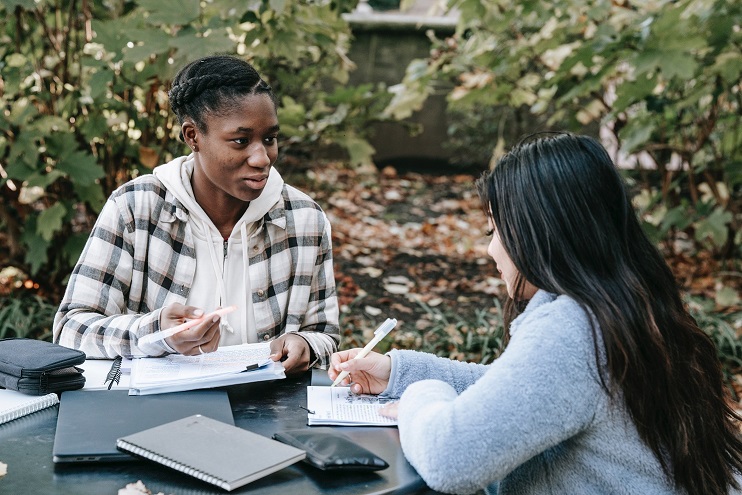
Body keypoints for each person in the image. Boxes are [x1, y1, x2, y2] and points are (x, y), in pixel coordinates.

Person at [329, 133, 742, 495]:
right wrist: (398, 373)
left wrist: (417, 400)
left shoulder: (574, 329)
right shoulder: (625, 305)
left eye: (494, 231)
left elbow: (450, 460)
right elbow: (523, 391)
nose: (491, 250)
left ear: (538, 228)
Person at [54, 55, 339, 374]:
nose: (262, 158)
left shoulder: (304, 220)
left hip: (265, 410)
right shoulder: (136, 207)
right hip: (157, 411)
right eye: (241, 141)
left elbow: (325, 335)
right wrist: (157, 332)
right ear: (192, 136)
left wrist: (306, 344)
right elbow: (71, 331)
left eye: (269, 139)